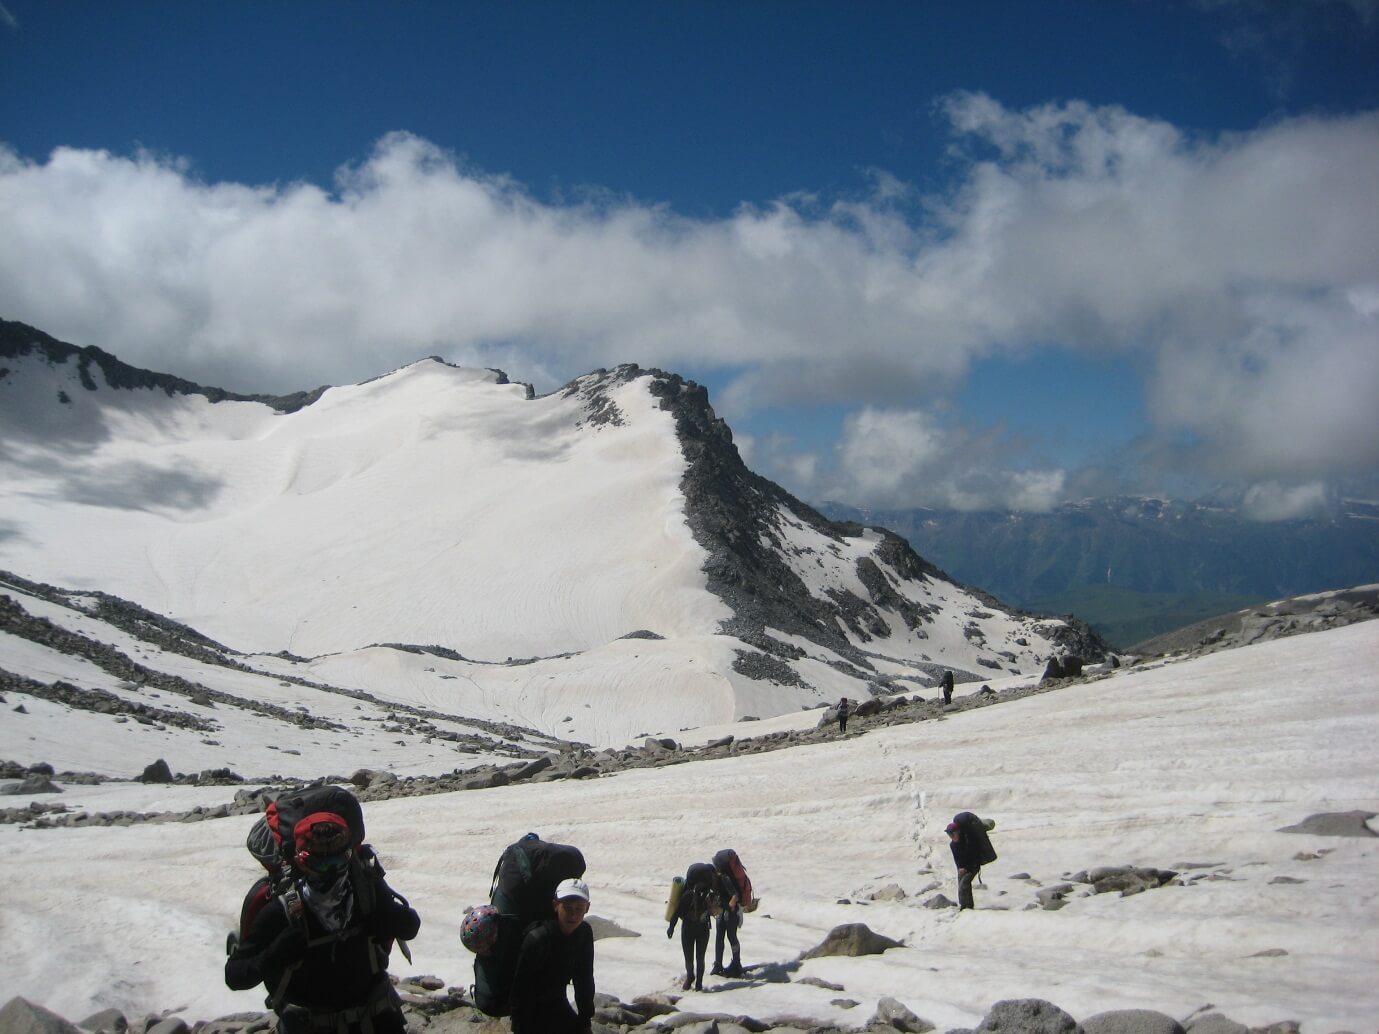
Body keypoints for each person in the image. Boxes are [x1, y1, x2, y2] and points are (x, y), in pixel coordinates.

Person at [225, 812, 421, 1034]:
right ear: (300, 859)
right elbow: (235, 974)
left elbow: (410, 926)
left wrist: (396, 921)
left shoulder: (367, 892)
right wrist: (274, 954)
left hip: (369, 1021)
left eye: (337, 860)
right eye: (319, 861)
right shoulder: (284, 911)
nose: (330, 870)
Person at [509, 877, 595, 1034]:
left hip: (557, 1002)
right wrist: (518, 1027)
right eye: (568, 908)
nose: (573, 915)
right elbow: (520, 989)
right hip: (531, 1011)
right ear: (556, 906)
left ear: (587, 908)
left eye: (579, 909)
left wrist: (585, 1021)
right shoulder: (538, 938)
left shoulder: (584, 933)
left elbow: (584, 978)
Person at [667, 862, 720, 990]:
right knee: (700, 957)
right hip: (703, 928)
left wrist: (671, 927)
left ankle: (691, 976)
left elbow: (677, 912)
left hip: (688, 928)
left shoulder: (687, 894)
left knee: (689, 957)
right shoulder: (710, 895)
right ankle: (699, 983)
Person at [710, 867, 743, 977]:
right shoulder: (715, 881)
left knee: (731, 936)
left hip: (731, 912)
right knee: (719, 938)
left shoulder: (724, 878)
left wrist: (731, 906)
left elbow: (735, 895)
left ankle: (736, 963)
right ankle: (718, 964)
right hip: (723, 911)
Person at [947, 819, 981, 910]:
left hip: (973, 866)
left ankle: (969, 907)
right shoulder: (952, 845)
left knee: (964, 884)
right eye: (949, 834)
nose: (951, 836)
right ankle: (964, 905)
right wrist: (960, 868)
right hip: (962, 868)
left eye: (952, 833)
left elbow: (974, 857)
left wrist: (966, 868)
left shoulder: (967, 842)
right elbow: (957, 859)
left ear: (958, 832)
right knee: (962, 885)